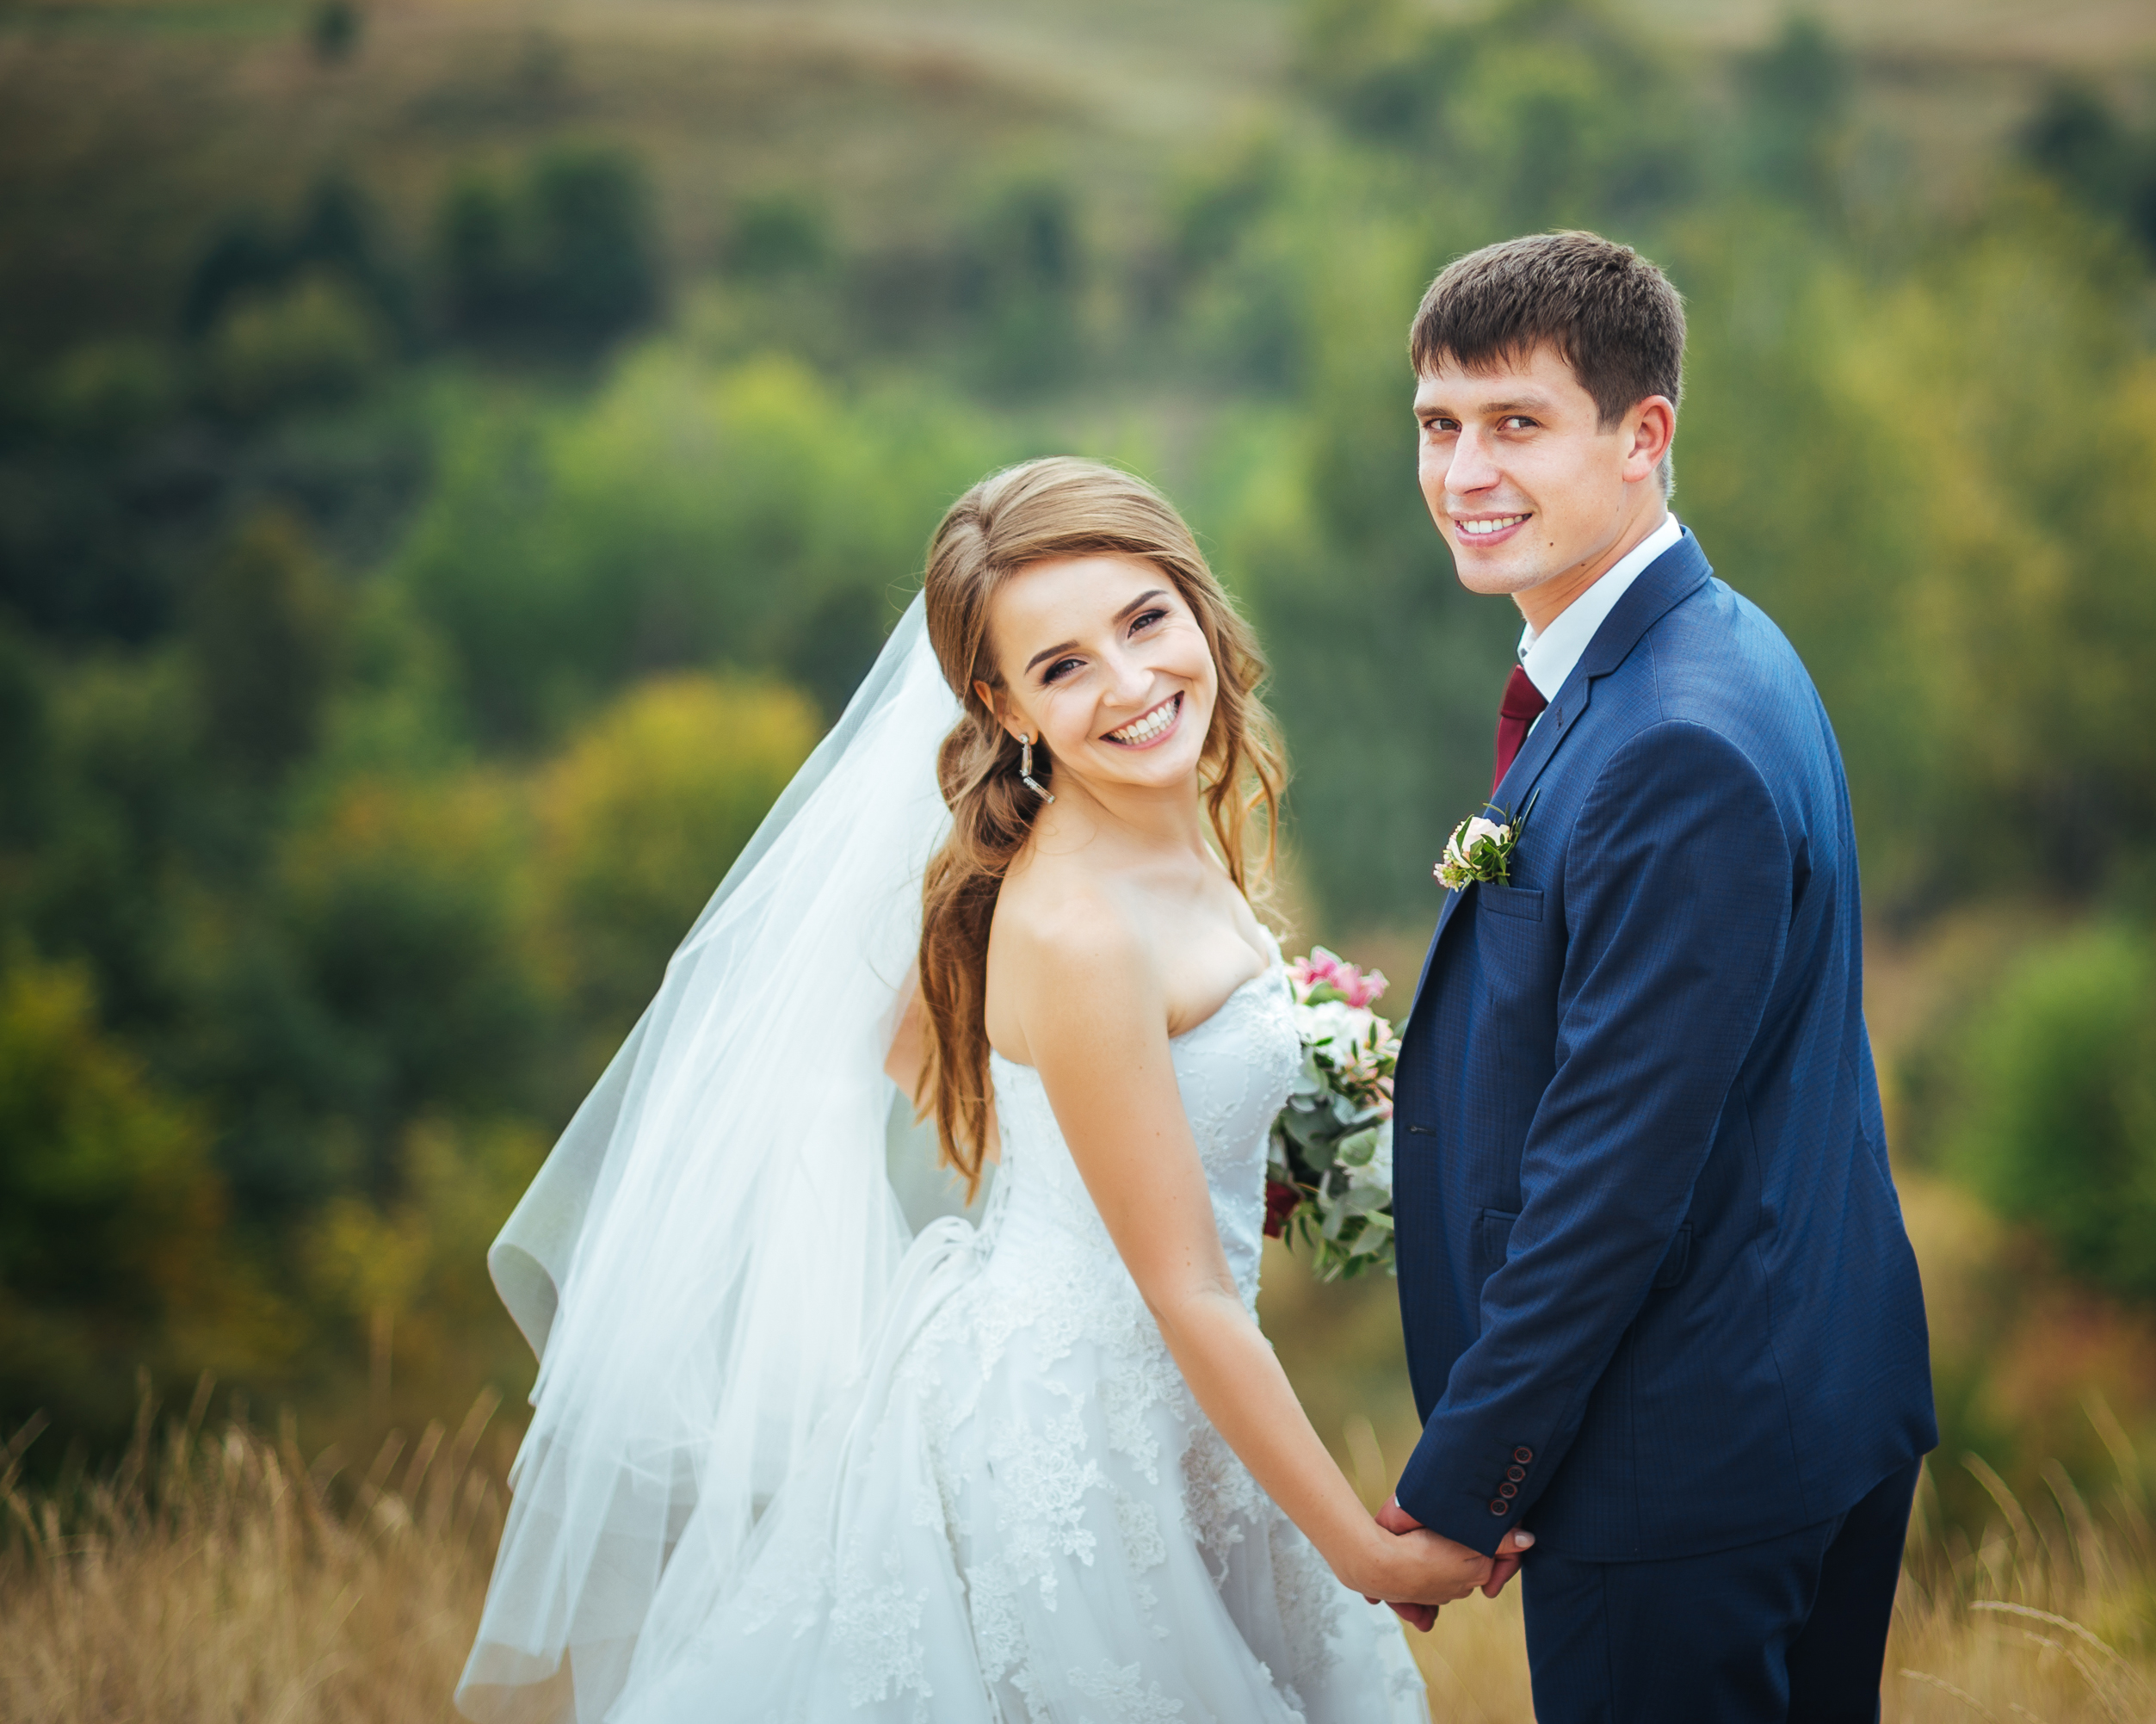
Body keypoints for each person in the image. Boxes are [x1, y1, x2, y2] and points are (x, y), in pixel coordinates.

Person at [457, 458, 1511, 1722]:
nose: (1129, 683)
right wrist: (1366, 1552)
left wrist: (1167, 1158)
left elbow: (933, 1053)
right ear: (1000, 705)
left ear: (1196, 604)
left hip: (1182, 1423)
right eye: (1061, 667)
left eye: (1143, 620)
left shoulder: (1143, 828)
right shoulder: (1080, 928)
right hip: (1081, 1449)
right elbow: (1180, 1288)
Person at [1381, 232, 1941, 1721]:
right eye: (1440, 424)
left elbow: (1614, 1172)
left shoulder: (1670, 740)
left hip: (1680, 1473)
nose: (1464, 472)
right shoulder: (1717, 647)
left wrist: (1467, 1478)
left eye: (1518, 423)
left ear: (1644, 437)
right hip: (1799, 1405)